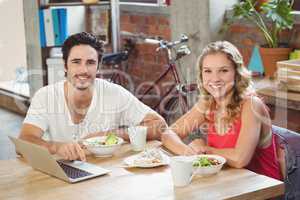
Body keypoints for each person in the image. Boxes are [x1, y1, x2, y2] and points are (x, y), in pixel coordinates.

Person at [19, 32, 166, 161]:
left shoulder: (114, 93)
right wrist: (56, 147)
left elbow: (159, 126)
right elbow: (24, 142)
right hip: (60, 176)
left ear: (98, 66)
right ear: (65, 65)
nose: (83, 70)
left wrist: (111, 134)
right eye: (76, 62)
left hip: (104, 174)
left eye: (90, 63)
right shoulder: (46, 96)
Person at [161, 41, 282, 180]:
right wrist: (189, 152)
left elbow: (240, 159)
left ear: (237, 73)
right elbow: (168, 134)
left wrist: (206, 150)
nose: (215, 78)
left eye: (223, 70)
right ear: (201, 75)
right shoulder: (208, 104)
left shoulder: (252, 105)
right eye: (208, 71)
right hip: (226, 182)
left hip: (262, 189)